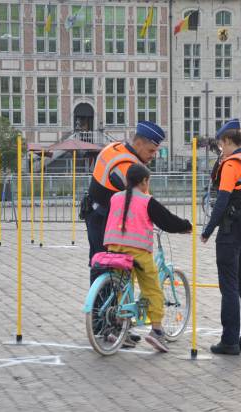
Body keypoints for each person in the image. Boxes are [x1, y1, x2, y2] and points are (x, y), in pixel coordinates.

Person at [104, 164, 191, 352]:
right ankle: (157, 331)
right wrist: (186, 226)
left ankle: (120, 328)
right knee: (153, 289)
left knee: (123, 287)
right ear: (144, 181)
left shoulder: (115, 198)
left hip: (113, 249)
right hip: (137, 252)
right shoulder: (146, 201)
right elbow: (167, 220)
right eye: (147, 181)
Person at [201, 119, 241, 355]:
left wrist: (208, 230)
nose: (221, 151)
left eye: (221, 146)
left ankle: (229, 341)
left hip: (232, 228)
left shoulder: (233, 164)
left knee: (229, 285)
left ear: (228, 141)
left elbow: (222, 200)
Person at [83, 121, 164, 284]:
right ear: (139, 143)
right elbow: (144, 202)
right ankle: (109, 306)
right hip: (106, 223)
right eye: (151, 150)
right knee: (113, 268)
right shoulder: (129, 166)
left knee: (98, 263)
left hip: (92, 213)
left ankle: (97, 306)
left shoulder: (114, 148)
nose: (153, 155)